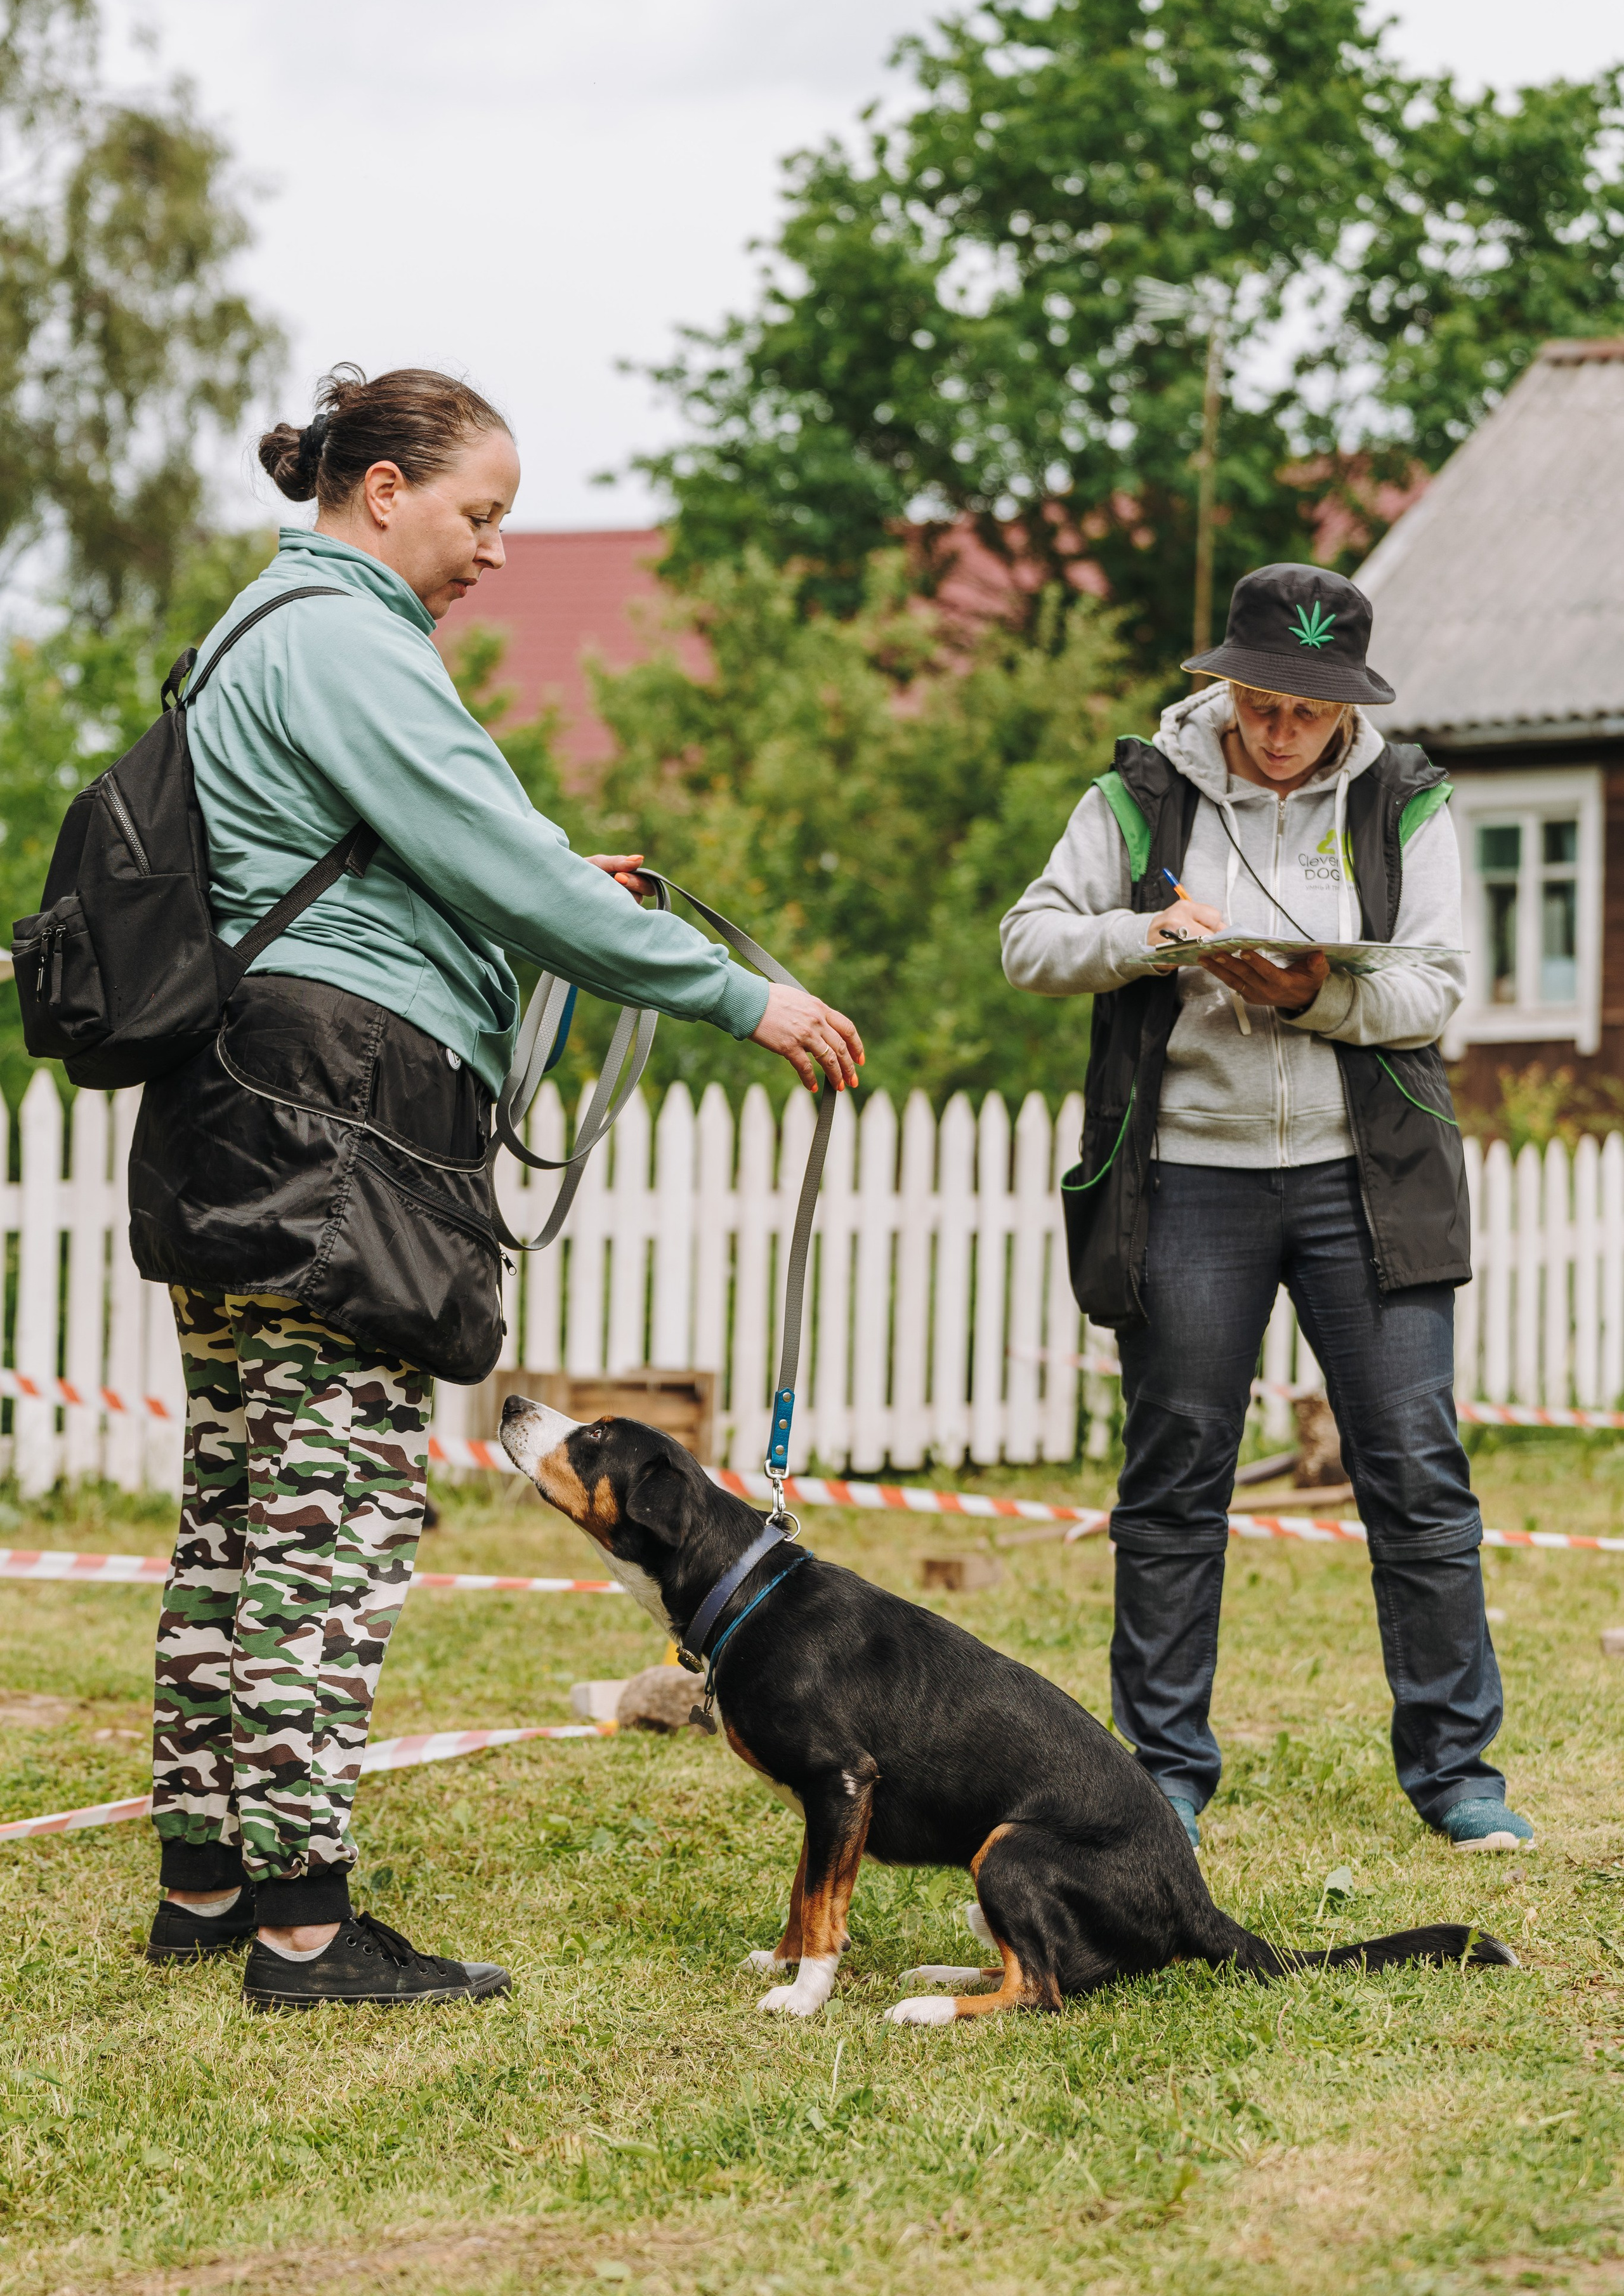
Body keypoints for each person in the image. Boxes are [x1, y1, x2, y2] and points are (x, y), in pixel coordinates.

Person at [131, 364, 864, 2011]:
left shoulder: (262, 631)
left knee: (242, 1515)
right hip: (331, 1126)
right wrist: (744, 992)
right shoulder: (348, 635)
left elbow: (407, 861)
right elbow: (499, 861)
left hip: (232, 1114)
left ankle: (203, 1878)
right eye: (482, 512)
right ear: (381, 488)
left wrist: (528, 888)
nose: (498, 551)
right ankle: (305, 1933)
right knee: (332, 1522)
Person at [1000, 562, 1532, 1859]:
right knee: (1174, 1477)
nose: (1279, 727)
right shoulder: (1135, 796)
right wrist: (1145, 935)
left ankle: (1455, 1774)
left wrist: (1306, 995)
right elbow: (1027, 942)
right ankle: (1161, 1772)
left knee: (1412, 1474)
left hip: (1371, 1181)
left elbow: (1434, 987)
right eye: (1258, 696)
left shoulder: (1406, 798)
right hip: (1187, 1179)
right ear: (1221, 677)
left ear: (1346, 701)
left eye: (1306, 705)